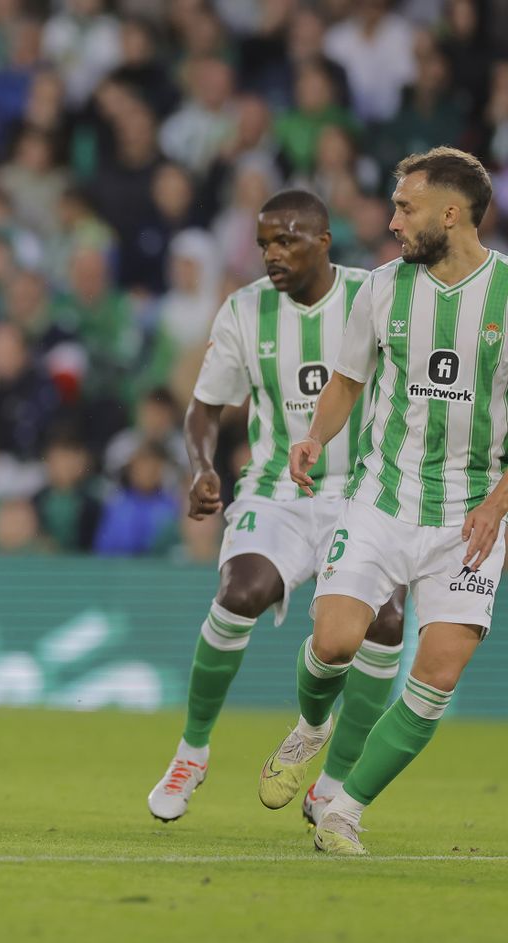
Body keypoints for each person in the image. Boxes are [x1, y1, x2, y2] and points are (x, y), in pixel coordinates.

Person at [265, 148, 508, 855]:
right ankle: (313, 725)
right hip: (381, 498)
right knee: (336, 640)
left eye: (406, 207)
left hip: (470, 515)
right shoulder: (380, 289)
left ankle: (343, 809)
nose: (392, 219)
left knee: (438, 672)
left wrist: (498, 503)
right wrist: (313, 437)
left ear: (451, 213)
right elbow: (346, 379)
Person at [146, 189, 406, 826]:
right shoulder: (243, 310)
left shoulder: (372, 296)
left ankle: (333, 782)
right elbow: (206, 406)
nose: (272, 254)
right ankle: (192, 752)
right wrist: (204, 467)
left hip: (363, 491)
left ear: (323, 241)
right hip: (276, 486)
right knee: (242, 592)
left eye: (286, 240)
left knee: (388, 624)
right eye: (264, 242)